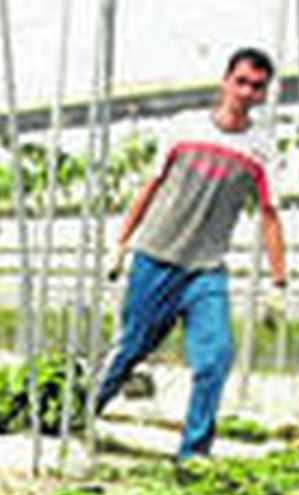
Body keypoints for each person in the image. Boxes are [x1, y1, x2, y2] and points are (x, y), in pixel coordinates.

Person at [94, 47, 287, 465]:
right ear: (225, 82)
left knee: (216, 356)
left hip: (205, 270)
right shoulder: (183, 128)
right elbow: (152, 185)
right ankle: (78, 415)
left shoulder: (262, 148)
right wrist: (121, 242)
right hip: (155, 257)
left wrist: (278, 283)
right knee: (130, 349)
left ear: (263, 94)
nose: (247, 92)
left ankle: (194, 453)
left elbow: (270, 214)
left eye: (257, 87)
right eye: (241, 82)